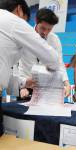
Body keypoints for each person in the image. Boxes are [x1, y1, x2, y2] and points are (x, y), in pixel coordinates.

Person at [0, 0, 60, 136]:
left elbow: (2, 69)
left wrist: (23, 82)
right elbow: (53, 59)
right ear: (19, 10)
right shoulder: (14, 21)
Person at [18, 8, 70, 99]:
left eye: (49, 29)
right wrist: (21, 86)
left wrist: (66, 83)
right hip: (26, 85)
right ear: (36, 21)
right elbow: (15, 63)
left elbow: (59, 63)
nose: (45, 32)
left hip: (47, 86)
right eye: (42, 28)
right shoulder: (24, 35)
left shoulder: (55, 39)